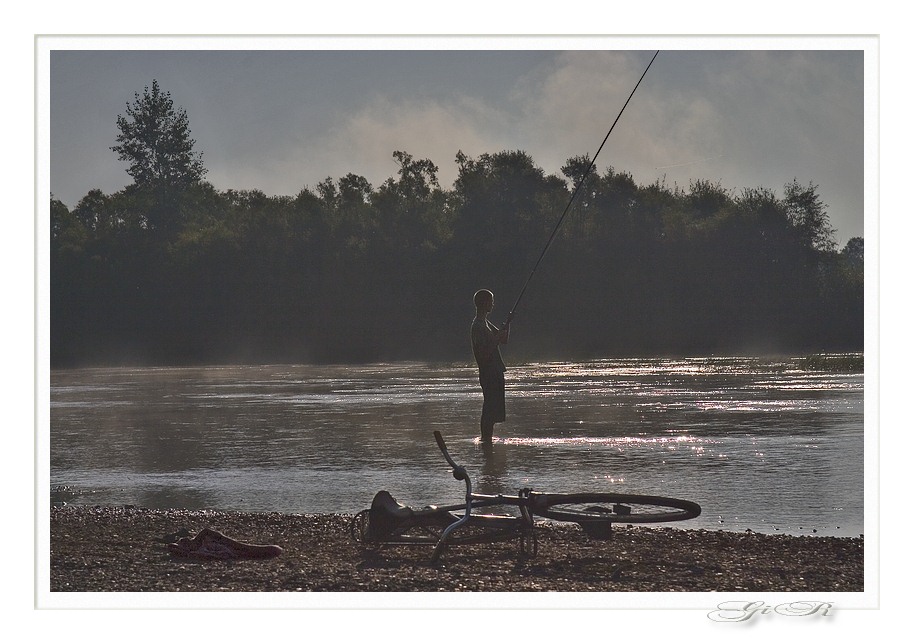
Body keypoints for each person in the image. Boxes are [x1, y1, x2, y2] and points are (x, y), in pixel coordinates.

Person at [471, 289, 512, 442]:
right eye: (491, 301)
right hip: (488, 373)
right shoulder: (478, 326)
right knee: (489, 408)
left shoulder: (486, 323)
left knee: (494, 410)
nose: (493, 304)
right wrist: (496, 339)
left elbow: (503, 340)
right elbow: (483, 354)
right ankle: (485, 440)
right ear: (484, 303)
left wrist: (508, 324)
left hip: (495, 372)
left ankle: (487, 442)